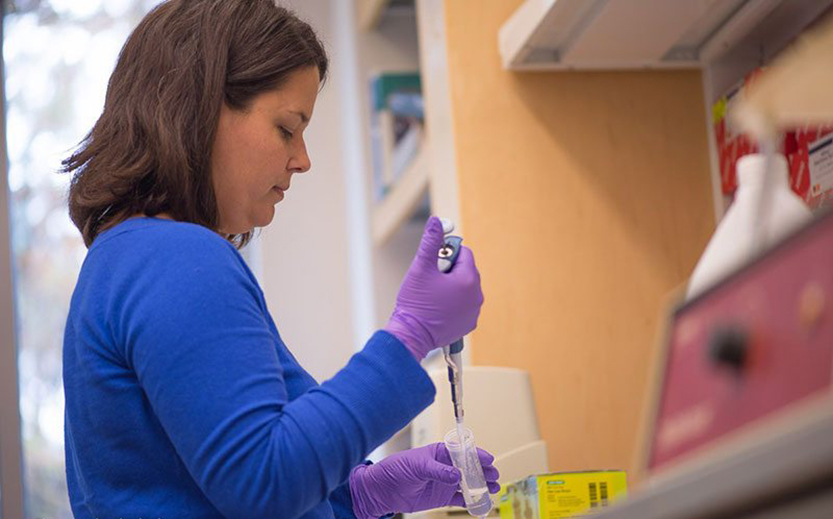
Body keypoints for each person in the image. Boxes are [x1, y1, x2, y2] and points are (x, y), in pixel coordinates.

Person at [60, 1, 498, 518]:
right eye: (287, 128)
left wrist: (356, 495)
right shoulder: (174, 258)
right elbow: (264, 484)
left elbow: (204, 480)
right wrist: (412, 333)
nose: (303, 159)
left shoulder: (131, 259)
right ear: (198, 110)